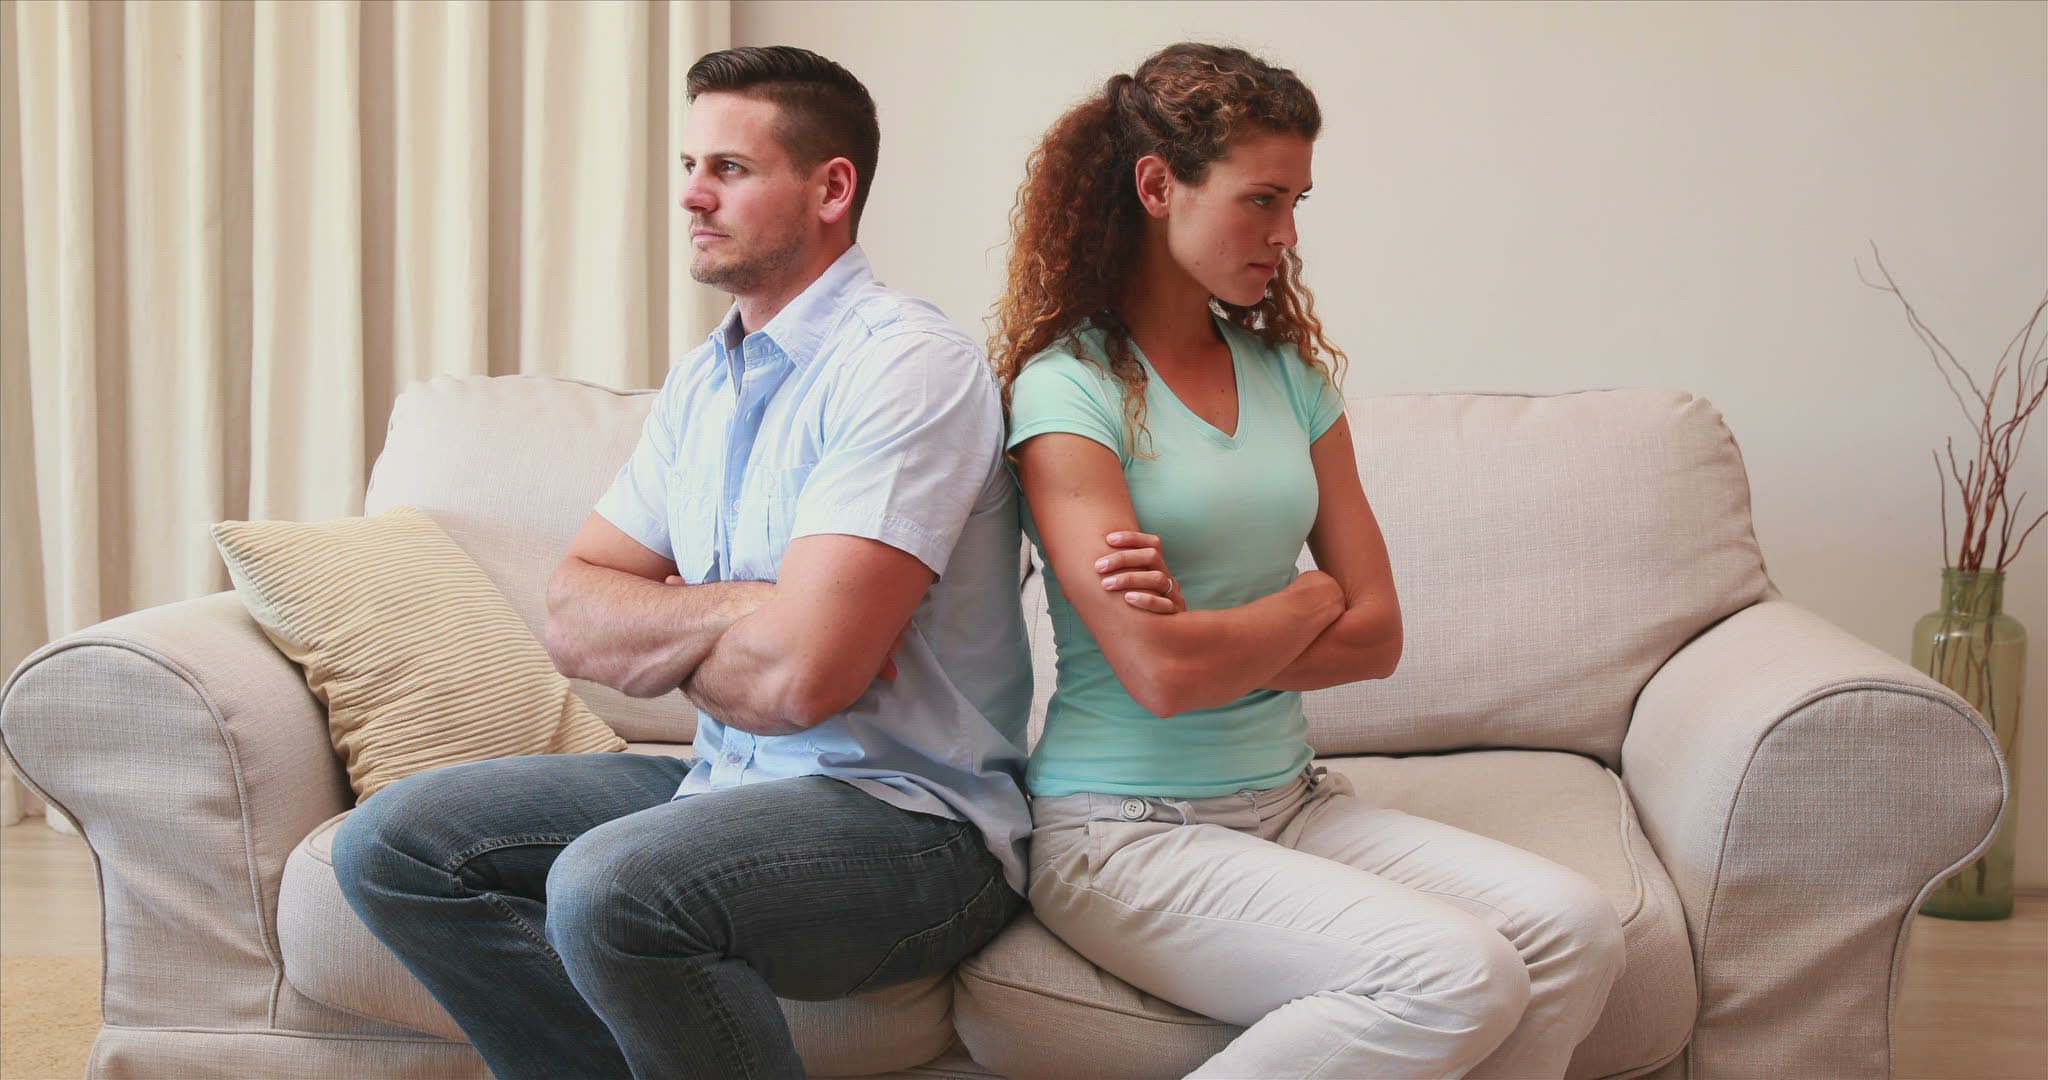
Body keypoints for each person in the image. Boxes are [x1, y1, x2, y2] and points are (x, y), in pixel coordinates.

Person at [332, 46, 1030, 1080]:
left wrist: (688, 631)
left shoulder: (907, 367)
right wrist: (753, 606)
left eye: (729, 169)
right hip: (722, 783)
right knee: (392, 845)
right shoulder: (706, 380)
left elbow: (804, 680)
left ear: (832, 188)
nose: (692, 195)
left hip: (913, 826)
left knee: (613, 886)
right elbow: (572, 616)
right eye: (690, 165)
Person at [991, 42, 1625, 1079]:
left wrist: (1212, 639)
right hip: (1123, 831)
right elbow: (1159, 674)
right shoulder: (1068, 391)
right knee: (1456, 974)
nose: (1285, 235)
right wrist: (1302, 601)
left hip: (1290, 801)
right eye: (1261, 200)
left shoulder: (1290, 378)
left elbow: (1377, 638)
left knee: (1575, 931)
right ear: (1157, 186)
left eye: (1296, 203)